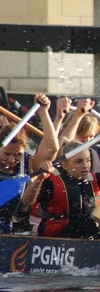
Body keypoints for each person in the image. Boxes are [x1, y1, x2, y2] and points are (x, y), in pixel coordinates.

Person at [0, 94, 59, 234]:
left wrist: (43, 112)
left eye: (17, 154)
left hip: (18, 232)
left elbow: (52, 148)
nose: (11, 160)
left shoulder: (28, 162)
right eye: (6, 154)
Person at [24, 140, 100, 239]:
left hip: (91, 240)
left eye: (88, 160)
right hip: (57, 241)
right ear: (64, 165)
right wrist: (39, 179)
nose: (85, 165)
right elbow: (27, 201)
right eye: (79, 161)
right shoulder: (50, 182)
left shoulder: (99, 180)